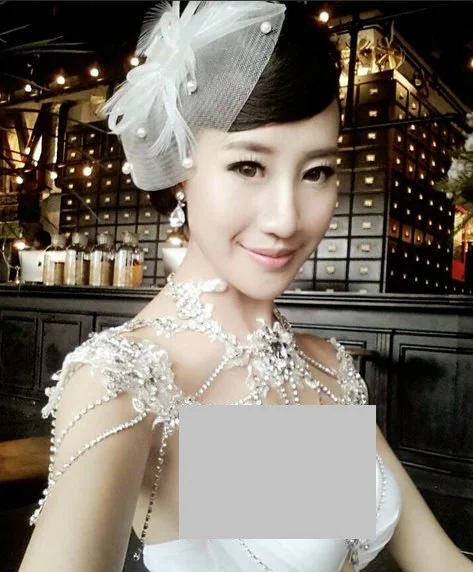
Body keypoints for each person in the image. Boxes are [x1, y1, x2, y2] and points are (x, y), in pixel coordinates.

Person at [19, 2, 473, 572]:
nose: (286, 219)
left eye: (316, 172)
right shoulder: (129, 380)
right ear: (181, 171)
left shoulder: (328, 365)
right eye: (248, 167)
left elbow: (440, 562)